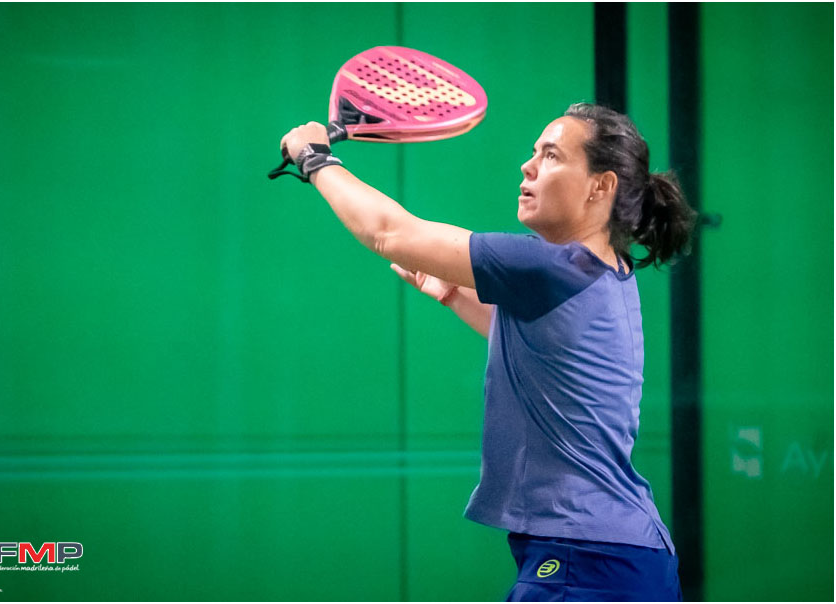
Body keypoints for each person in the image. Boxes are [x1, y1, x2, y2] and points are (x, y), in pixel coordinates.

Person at [279, 103, 695, 602]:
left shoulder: (548, 266)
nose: (528, 166)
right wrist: (455, 293)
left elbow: (391, 232)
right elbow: (550, 355)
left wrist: (315, 157)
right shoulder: (607, 272)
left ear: (600, 186)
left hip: (585, 561)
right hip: (628, 557)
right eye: (535, 152)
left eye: (552, 155)